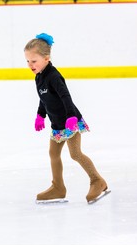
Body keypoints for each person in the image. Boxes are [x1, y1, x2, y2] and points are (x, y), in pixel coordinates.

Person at [24, 33, 109, 204]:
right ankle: (58, 188)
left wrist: (71, 116)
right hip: (56, 124)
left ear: (46, 58)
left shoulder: (53, 76)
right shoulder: (39, 77)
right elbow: (44, 98)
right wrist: (40, 115)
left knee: (75, 154)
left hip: (70, 122)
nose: (30, 65)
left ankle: (97, 181)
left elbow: (65, 97)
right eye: (27, 61)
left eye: (34, 61)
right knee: (53, 154)